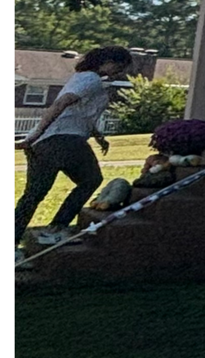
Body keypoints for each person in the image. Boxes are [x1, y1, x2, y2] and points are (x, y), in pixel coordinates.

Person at [15, 45, 126, 248]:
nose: (120, 72)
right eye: (119, 67)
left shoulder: (82, 77)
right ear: (106, 61)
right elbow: (60, 105)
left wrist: (98, 136)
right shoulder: (91, 80)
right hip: (65, 141)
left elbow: (79, 113)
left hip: (44, 144)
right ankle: (57, 228)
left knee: (33, 195)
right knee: (91, 180)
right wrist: (36, 133)